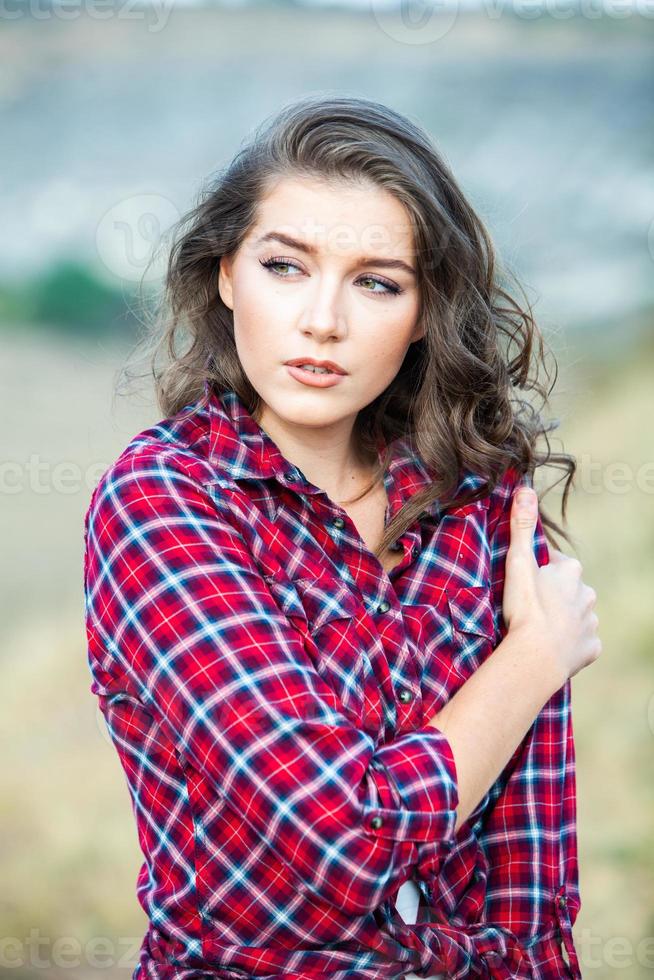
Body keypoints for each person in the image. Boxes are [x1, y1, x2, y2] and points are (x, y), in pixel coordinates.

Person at [82, 95, 600, 979]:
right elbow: (343, 842)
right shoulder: (163, 502)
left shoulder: (479, 501)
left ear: (427, 310)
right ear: (225, 275)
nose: (324, 320)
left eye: (376, 282)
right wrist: (532, 658)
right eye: (286, 266)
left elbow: (532, 888)